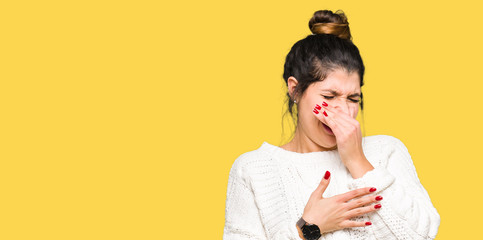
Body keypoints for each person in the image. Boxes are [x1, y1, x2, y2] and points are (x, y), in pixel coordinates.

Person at [223, 9, 441, 240]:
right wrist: (307, 228)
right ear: (295, 89)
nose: (344, 110)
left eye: (353, 99)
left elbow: (421, 236)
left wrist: (357, 161)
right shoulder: (254, 169)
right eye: (329, 96)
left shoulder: (386, 151)